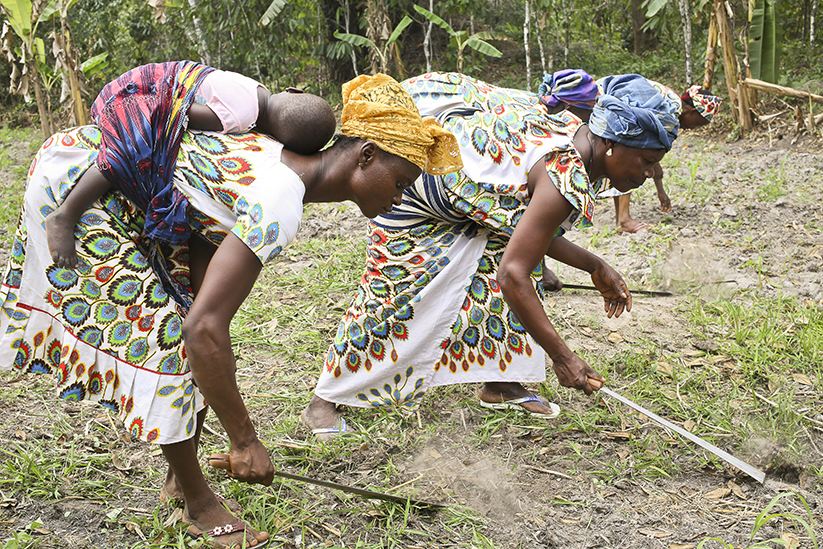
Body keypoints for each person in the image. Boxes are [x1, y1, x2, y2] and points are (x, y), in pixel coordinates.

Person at [0, 73, 460, 548]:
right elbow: (202, 330)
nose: (401, 197)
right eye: (402, 182)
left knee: (190, 327)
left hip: (111, 180)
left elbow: (203, 281)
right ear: (365, 156)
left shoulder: (278, 158)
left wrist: (207, 360)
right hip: (80, 186)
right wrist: (245, 441)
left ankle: (181, 482)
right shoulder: (281, 198)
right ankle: (198, 506)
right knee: (173, 341)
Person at [301, 72, 679, 440]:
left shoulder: (581, 134)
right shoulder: (564, 170)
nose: (650, 173)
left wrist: (595, 265)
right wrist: (563, 357)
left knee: (507, 256)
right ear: (612, 143)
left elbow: (529, 231)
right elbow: (512, 273)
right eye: (646, 161)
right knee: (397, 287)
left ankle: (500, 381)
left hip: (457, 177)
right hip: (410, 171)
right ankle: (325, 400)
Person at [45, 61, 337, 270]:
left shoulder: (254, 89)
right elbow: (173, 113)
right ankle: (65, 214)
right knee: (133, 150)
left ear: (293, 91)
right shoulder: (238, 117)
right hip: (133, 97)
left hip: (143, 83)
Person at [612, 84, 722, 233]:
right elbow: (644, 150)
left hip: (616, 116)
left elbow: (654, 159)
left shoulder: (673, 105)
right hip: (614, 115)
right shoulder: (670, 111)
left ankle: (621, 218)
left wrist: (661, 191)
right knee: (631, 161)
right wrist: (660, 190)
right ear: (693, 111)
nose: (693, 128)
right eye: (697, 124)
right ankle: (624, 219)